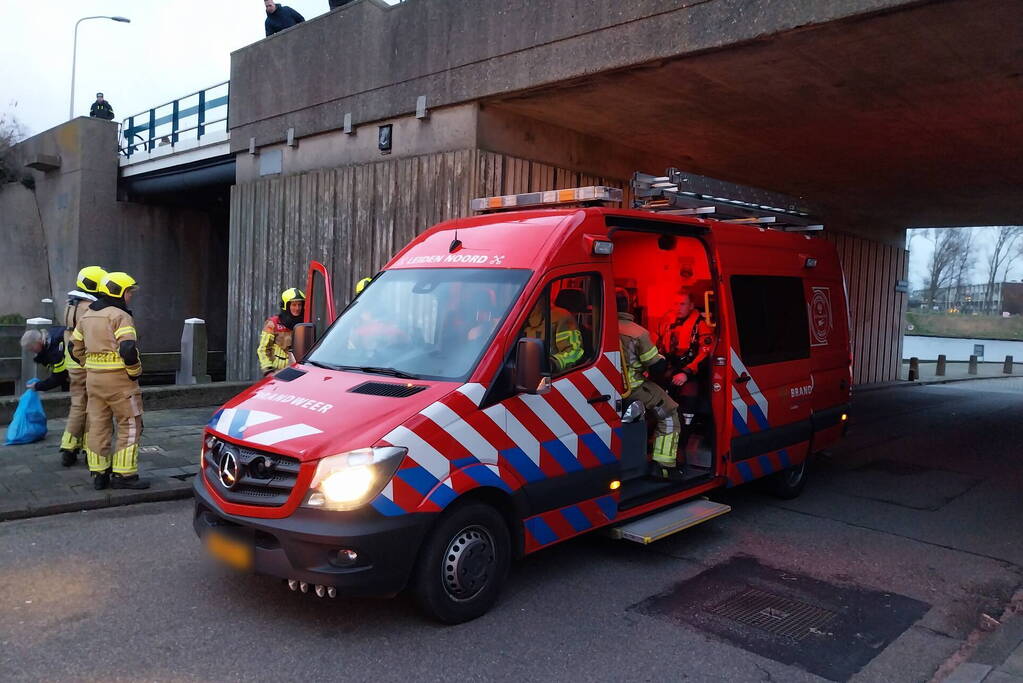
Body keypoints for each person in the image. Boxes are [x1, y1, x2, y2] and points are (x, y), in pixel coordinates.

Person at [69, 272, 148, 490]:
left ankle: (99, 473)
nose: (130, 296)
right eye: (129, 292)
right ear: (119, 292)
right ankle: (124, 475)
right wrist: (134, 371)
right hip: (120, 381)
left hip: (93, 380)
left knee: (97, 425)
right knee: (130, 424)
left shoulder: (87, 316)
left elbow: (73, 348)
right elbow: (128, 349)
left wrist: (90, 364)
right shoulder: (120, 316)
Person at [617, 288, 681, 478]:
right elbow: (655, 367)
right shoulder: (638, 333)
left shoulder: (594, 327)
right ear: (628, 305)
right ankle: (663, 466)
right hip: (633, 388)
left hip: (605, 388)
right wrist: (662, 360)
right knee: (669, 412)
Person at [57, 266, 107, 467]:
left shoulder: (71, 304)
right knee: (89, 406)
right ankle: (76, 447)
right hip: (85, 361)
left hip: (73, 361)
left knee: (81, 403)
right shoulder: (90, 307)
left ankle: (75, 446)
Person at [657, 291, 716, 426]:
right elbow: (660, 347)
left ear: (691, 306)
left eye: (682, 304)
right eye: (676, 304)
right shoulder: (668, 323)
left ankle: (687, 434)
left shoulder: (700, 325)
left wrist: (686, 373)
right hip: (672, 370)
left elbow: (705, 353)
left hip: (692, 373)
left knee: (688, 401)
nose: (678, 307)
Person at [522, 299, 584, 373]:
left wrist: (553, 363)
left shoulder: (561, 317)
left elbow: (575, 352)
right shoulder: (514, 318)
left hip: (553, 379)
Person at [258, 288, 305, 375]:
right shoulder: (273, 324)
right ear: (286, 306)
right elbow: (263, 349)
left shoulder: (306, 323)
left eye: (299, 305)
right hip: (277, 372)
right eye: (293, 305)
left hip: (299, 372)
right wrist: (268, 371)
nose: (297, 308)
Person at [20, 328, 69, 393]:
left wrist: (37, 386)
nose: (32, 351)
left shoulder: (54, 352)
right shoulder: (52, 335)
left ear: (38, 341)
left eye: (32, 348)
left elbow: (58, 377)